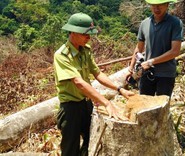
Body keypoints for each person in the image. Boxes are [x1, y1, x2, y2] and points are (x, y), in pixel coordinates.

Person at [53, 12, 134, 156]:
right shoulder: (62, 55)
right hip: (70, 108)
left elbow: (97, 73)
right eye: (85, 34)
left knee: (91, 142)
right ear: (73, 32)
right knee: (70, 149)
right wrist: (106, 103)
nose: (89, 37)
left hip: (86, 104)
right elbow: (79, 82)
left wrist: (120, 89)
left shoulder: (85, 50)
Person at [128, 0, 183, 97]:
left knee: (161, 107)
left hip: (166, 74)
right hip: (146, 73)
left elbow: (175, 51)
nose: (156, 8)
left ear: (167, 5)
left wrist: (151, 62)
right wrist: (131, 68)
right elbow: (138, 48)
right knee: (145, 106)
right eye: (153, 5)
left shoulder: (175, 23)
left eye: (160, 5)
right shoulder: (145, 23)